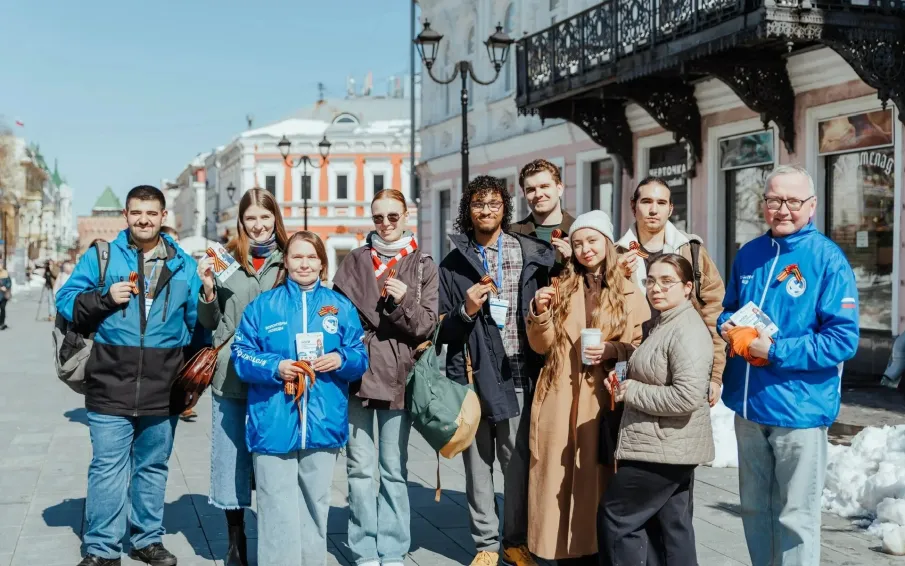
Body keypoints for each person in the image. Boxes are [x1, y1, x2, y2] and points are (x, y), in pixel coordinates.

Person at [717, 165, 859, 566]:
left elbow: (841, 340)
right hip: (748, 406)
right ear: (764, 204)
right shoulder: (750, 254)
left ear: (811, 207)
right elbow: (728, 308)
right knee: (754, 511)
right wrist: (726, 326)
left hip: (799, 410)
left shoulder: (828, 260)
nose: (783, 209)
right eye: (774, 200)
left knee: (796, 518)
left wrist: (773, 349)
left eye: (793, 201)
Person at [56, 185, 205, 566]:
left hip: (163, 382)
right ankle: (103, 548)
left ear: (162, 216)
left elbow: (196, 325)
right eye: (137, 212)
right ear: (126, 215)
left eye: (151, 213)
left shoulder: (182, 264)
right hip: (110, 377)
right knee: (107, 466)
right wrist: (106, 297)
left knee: (153, 466)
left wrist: (207, 303)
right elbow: (66, 300)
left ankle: (146, 540)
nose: (144, 219)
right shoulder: (104, 255)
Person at [437, 175, 554, 566]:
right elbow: (442, 330)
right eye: (477, 204)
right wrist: (465, 309)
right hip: (471, 376)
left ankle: (514, 541)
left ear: (504, 208)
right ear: (467, 211)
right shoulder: (453, 264)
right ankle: (486, 544)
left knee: (517, 466)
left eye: (493, 204)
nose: (486, 211)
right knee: (477, 466)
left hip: (519, 374)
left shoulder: (530, 251)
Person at [231, 230, 368, 566]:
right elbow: (241, 355)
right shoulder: (264, 306)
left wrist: (341, 360)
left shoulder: (339, 306)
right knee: (275, 502)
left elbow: (359, 355)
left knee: (315, 503)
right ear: (286, 262)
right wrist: (275, 366)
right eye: (297, 256)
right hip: (273, 419)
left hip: (322, 420)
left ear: (322, 262)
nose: (304, 263)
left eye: (311, 257)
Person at [525, 210, 649, 564]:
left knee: (598, 479)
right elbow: (542, 345)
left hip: (604, 399)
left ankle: (597, 551)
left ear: (607, 243)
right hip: (561, 396)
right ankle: (560, 554)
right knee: (556, 479)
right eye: (578, 243)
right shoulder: (561, 285)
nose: (585, 249)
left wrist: (613, 349)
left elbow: (641, 344)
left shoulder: (627, 289)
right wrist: (540, 312)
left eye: (592, 240)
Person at [333, 189, 439, 566]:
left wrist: (403, 300)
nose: (386, 224)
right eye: (379, 218)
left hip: (398, 373)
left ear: (406, 216)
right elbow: (335, 314)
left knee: (393, 468)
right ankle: (363, 547)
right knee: (360, 468)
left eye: (393, 217)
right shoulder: (355, 260)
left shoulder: (423, 263)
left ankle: (392, 548)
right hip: (358, 373)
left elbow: (427, 325)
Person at [599, 254, 714, 566]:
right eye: (650, 280)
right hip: (667, 446)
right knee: (669, 531)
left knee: (617, 518)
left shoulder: (686, 330)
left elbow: (687, 396)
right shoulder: (665, 322)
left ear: (688, 288)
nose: (656, 288)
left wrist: (631, 391)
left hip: (662, 448)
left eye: (667, 281)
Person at [196, 188, 288, 566]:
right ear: (241, 221)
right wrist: (206, 291)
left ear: (275, 219)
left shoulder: (290, 258)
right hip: (230, 372)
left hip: (274, 374)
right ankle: (236, 543)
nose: (259, 224)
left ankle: (275, 536)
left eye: (265, 217)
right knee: (231, 458)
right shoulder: (225, 260)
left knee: (271, 456)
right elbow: (209, 323)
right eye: (252, 218)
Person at [615, 176, 726, 406]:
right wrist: (617, 275)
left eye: (661, 203)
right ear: (633, 205)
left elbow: (714, 312)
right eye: (646, 201)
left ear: (670, 208)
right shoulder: (616, 254)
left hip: (682, 366)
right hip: (631, 366)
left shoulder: (691, 250)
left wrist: (715, 375)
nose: (653, 210)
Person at [509, 159, 575, 275]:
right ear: (524, 194)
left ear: (559, 189)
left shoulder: (581, 232)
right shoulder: (511, 235)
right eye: (531, 190)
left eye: (544, 186)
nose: (538, 194)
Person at [0, 266, 11, 330]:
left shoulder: (5, 273)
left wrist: (6, 287)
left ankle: (2, 323)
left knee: (2, 308)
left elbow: (9, 282)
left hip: (4, 295)